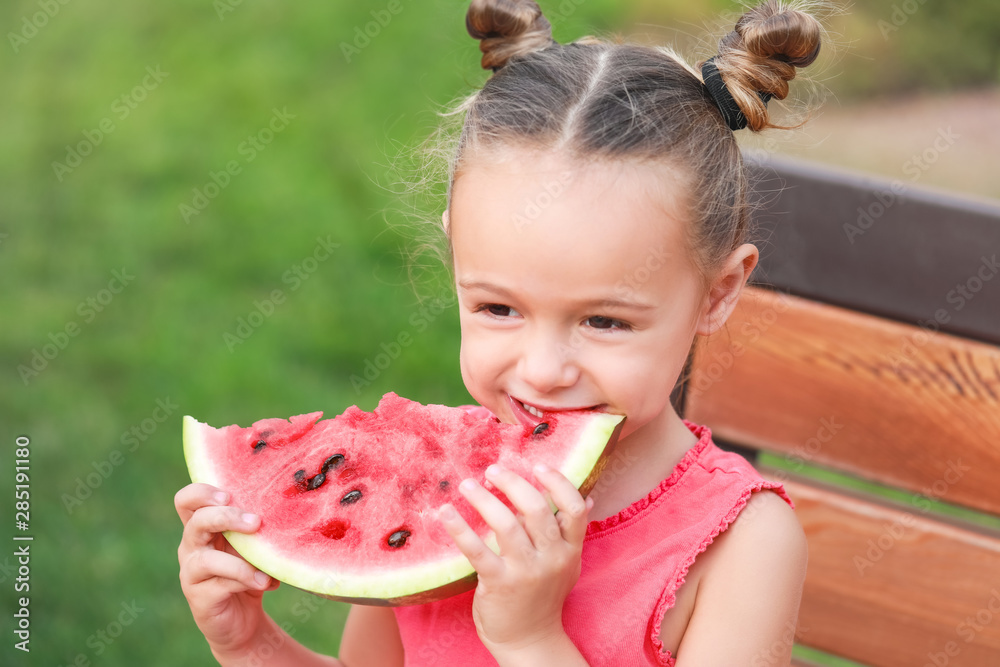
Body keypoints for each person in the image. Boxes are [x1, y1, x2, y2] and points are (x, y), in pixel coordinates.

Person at [175, 0, 823, 664]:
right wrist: (250, 643)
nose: (542, 369)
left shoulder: (743, 543)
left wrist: (529, 637)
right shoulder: (437, 490)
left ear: (718, 293)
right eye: (498, 309)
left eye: (604, 321)